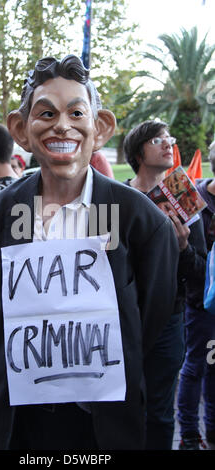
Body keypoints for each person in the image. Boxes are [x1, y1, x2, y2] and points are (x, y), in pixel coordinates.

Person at [0, 55, 179, 450]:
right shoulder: (0, 211)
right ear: (21, 129)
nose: (62, 125)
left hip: (101, 424)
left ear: (99, 127)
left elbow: (151, 318)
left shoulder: (140, 220)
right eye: (46, 113)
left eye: (75, 112)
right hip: (20, 419)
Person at [123, 120, 207, 450]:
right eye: (158, 139)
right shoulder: (119, 197)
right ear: (138, 152)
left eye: (169, 138)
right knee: (123, 406)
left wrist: (184, 247)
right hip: (122, 317)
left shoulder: (184, 197)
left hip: (169, 319)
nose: (168, 144)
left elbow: (200, 272)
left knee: (159, 412)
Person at [177, 140, 215, 450]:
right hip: (201, 301)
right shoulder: (191, 196)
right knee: (197, 365)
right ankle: (189, 432)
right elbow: (189, 261)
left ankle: (212, 429)